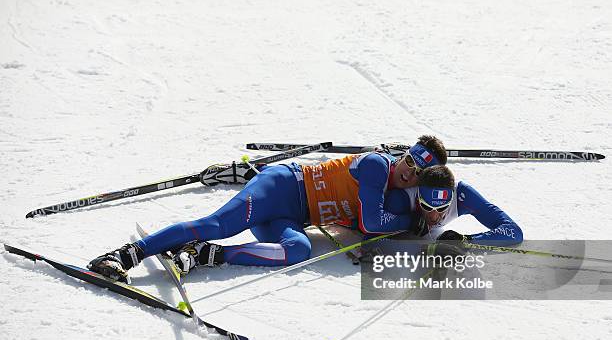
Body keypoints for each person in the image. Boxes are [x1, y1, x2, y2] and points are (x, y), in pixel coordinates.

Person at [87, 136, 448, 283]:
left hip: (292, 217)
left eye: (417, 169)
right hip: (282, 187)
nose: (408, 168)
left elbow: (369, 224)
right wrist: (407, 220)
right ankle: (123, 256)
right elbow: (372, 222)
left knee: (300, 250)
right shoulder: (376, 166)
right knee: (218, 223)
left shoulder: (400, 192)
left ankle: (204, 255)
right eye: (409, 158)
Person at [384, 165, 523, 246]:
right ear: (418, 196)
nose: (433, 216)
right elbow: (372, 240)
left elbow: (514, 232)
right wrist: (406, 221)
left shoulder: (463, 195)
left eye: (442, 208)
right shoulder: (401, 198)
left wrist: (466, 240)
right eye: (426, 207)